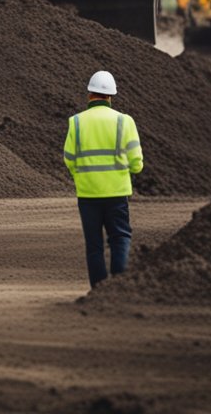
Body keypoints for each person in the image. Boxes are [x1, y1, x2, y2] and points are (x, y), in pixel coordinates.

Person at [62, 70, 145, 288]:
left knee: (94, 245)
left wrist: (83, 175)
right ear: (111, 97)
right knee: (120, 238)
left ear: (90, 94)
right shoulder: (124, 121)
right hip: (117, 192)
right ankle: (118, 284)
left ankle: (98, 290)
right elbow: (136, 162)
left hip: (88, 193)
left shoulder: (76, 122)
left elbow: (69, 159)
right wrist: (130, 170)